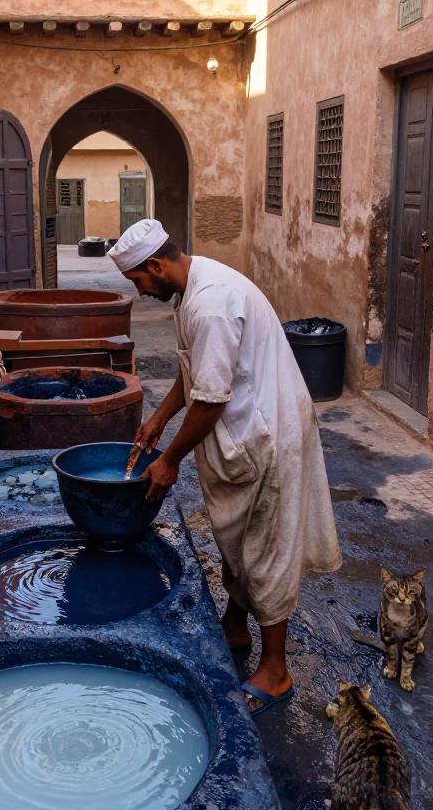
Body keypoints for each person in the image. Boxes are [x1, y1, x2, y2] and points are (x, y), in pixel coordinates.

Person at [108, 218, 341, 715]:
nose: (140, 291)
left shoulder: (211, 302)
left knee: (267, 548)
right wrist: (159, 418)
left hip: (267, 434)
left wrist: (169, 459)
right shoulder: (192, 287)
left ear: (155, 265)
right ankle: (236, 627)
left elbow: (211, 400)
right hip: (244, 430)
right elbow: (193, 371)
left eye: (138, 282)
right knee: (239, 540)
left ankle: (276, 671)